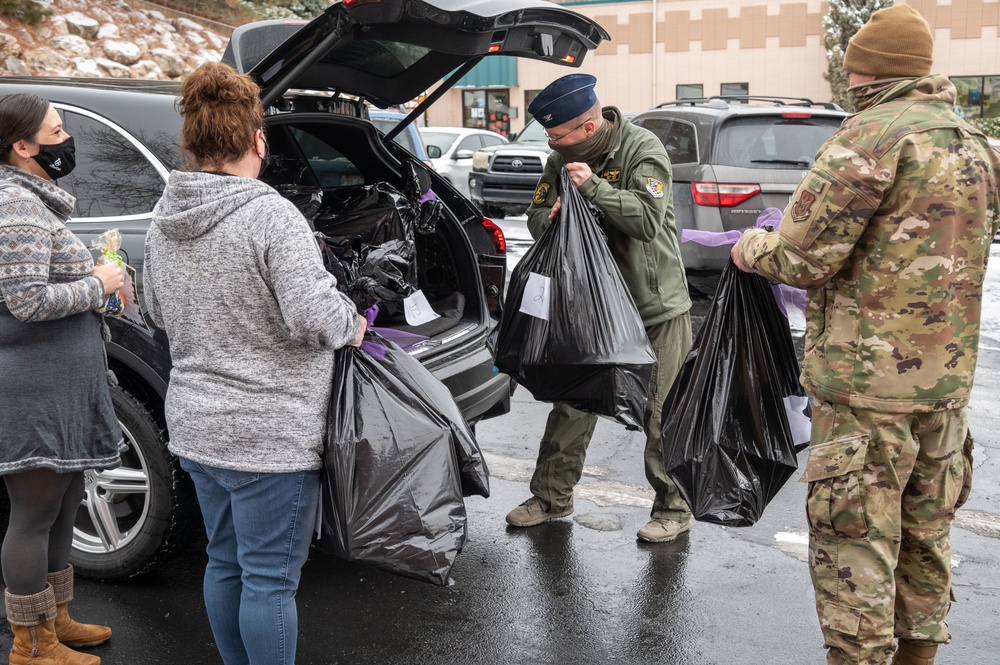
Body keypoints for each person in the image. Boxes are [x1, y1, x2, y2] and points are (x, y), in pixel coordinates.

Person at [731, 6, 1000, 665]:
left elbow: (801, 258)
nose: (848, 75)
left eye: (855, 63)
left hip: (865, 392)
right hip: (944, 390)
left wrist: (748, 247)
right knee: (925, 538)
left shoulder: (871, 136)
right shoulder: (973, 143)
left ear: (871, 70)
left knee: (856, 544)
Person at [142, 62, 366, 665]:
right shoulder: (271, 215)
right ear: (257, 141)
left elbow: (156, 311)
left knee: (224, 561)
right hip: (269, 437)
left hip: (196, 425)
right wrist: (355, 321)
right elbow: (316, 318)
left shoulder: (163, 218)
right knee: (269, 579)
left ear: (192, 142)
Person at [504, 74, 694, 543]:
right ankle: (551, 497)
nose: (552, 144)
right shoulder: (559, 159)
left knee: (661, 412)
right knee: (572, 402)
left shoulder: (642, 150)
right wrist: (546, 218)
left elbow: (648, 221)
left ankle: (673, 508)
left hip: (653, 306)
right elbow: (534, 212)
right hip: (588, 308)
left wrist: (593, 190)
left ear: (588, 128)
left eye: (558, 135)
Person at [0, 93, 125, 665]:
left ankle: (57, 620)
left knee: (65, 495)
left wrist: (105, 288)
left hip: (62, 384)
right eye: (54, 131)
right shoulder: (17, 205)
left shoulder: (37, 201)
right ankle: (32, 644)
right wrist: (98, 284)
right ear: (21, 147)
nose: (64, 139)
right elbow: (25, 302)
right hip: (35, 388)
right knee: (33, 513)